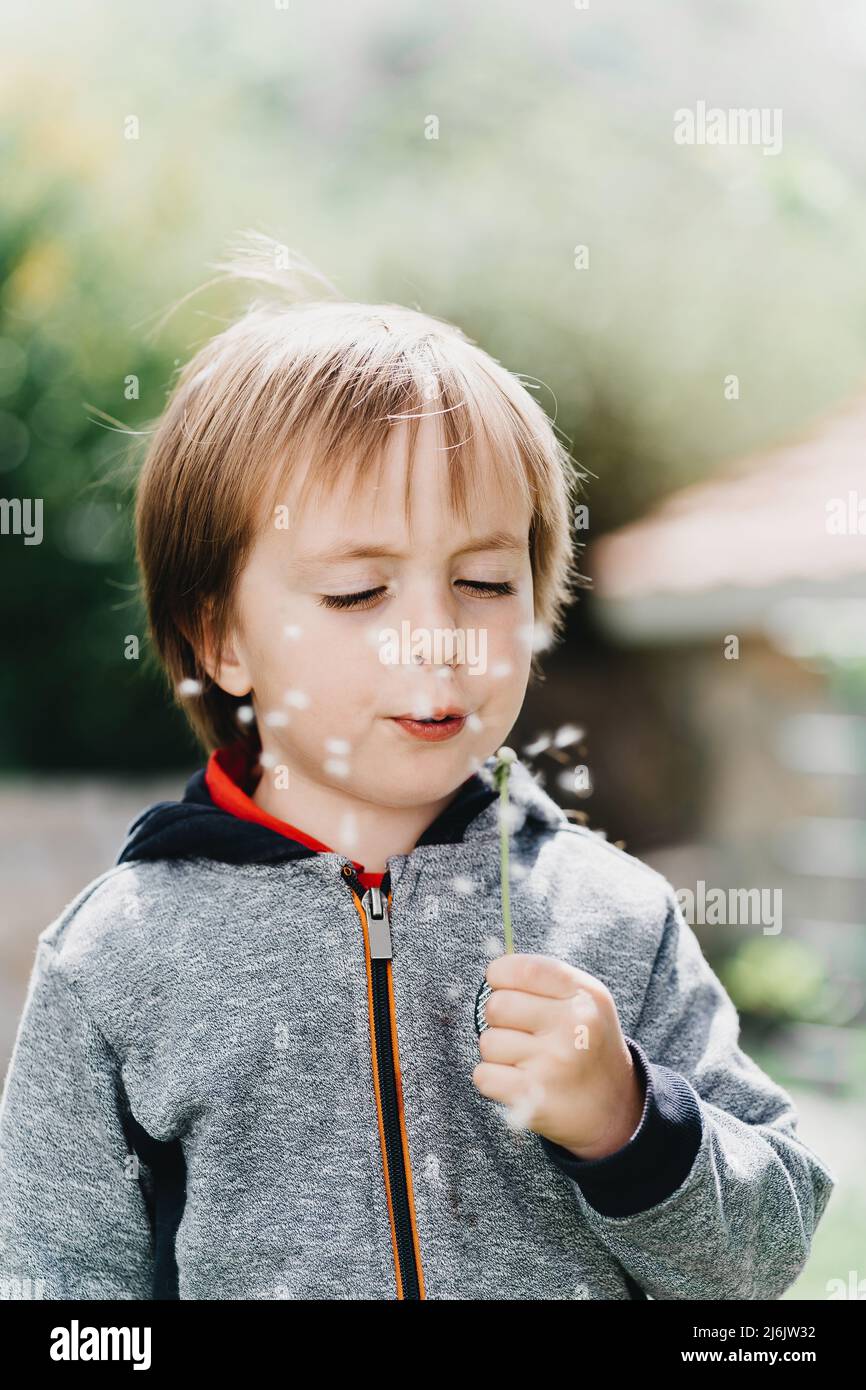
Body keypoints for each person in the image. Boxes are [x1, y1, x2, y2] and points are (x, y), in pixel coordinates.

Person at [0, 237, 835, 1300]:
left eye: (483, 582)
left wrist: (628, 1121)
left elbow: (759, 1263)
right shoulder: (117, 960)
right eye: (357, 594)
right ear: (221, 639)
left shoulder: (609, 916)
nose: (435, 638)